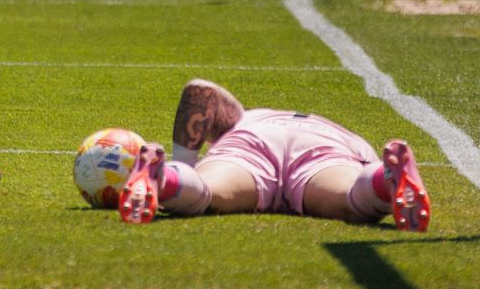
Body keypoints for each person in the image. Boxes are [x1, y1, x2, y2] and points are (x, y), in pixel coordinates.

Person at [110, 78, 431, 229]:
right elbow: (202, 93)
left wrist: (185, 163)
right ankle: (387, 179)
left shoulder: (244, 119)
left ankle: (165, 178)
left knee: (206, 193)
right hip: (323, 147)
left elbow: (200, 90)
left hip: (252, 143)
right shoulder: (347, 135)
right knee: (353, 200)